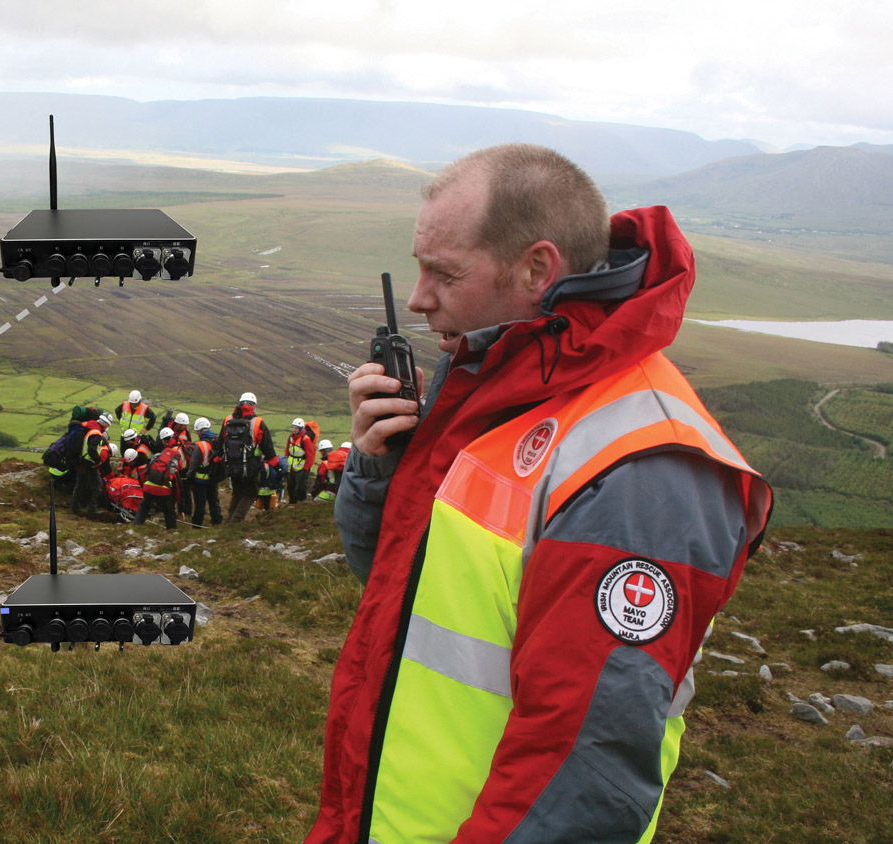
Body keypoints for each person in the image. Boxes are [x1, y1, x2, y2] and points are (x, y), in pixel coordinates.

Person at [307, 144, 771, 844]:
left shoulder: (640, 467)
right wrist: (381, 470)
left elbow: (582, 781)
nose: (418, 298)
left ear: (537, 269)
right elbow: (410, 596)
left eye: (444, 273)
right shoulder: (500, 394)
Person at [220, 391, 278, 523]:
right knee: (251, 493)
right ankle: (236, 521)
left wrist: (219, 459)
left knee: (237, 492)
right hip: (250, 465)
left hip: (231, 464)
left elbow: (220, 442)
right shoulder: (257, 422)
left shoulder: (228, 420)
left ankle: (230, 520)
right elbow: (267, 445)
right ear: (254, 406)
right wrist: (274, 463)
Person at [135, 427, 184, 529]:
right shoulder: (173, 466)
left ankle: (137, 525)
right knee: (168, 510)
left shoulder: (156, 457)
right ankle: (171, 530)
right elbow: (178, 490)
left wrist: (144, 489)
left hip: (148, 487)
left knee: (144, 505)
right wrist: (180, 509)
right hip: (163, 490)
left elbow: (143, 473)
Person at [69, 412, 111, 518]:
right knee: (98, 486)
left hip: (80, 461)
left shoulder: (89, 425)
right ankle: (91, 510)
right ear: (105, 424)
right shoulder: (96, 433)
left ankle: (75, 508)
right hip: (88, 462)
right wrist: (98, 461)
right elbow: (92, 449)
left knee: (80, 485)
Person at [186, 416, 223, 528]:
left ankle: (197, 525)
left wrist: (188, 477)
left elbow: (194, 465)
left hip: (200, 481)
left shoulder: (200, 445)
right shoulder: (217, 441)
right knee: (214, 502)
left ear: (200, 431)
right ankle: (217, 522)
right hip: (214, 478)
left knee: (200, 505)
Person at [283, 418, 320, 504]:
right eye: (293, 427)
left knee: (301, 488)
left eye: (296, 428)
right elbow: (287, 450)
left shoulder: (305, 439)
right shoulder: (291, 437)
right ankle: (292, 503)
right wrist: (286, 462)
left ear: (301, 428)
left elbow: (310, 455)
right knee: (290, 486)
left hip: (302, 468)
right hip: (291, 467)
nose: (294, 430)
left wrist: (306, 468)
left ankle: (301, 504)